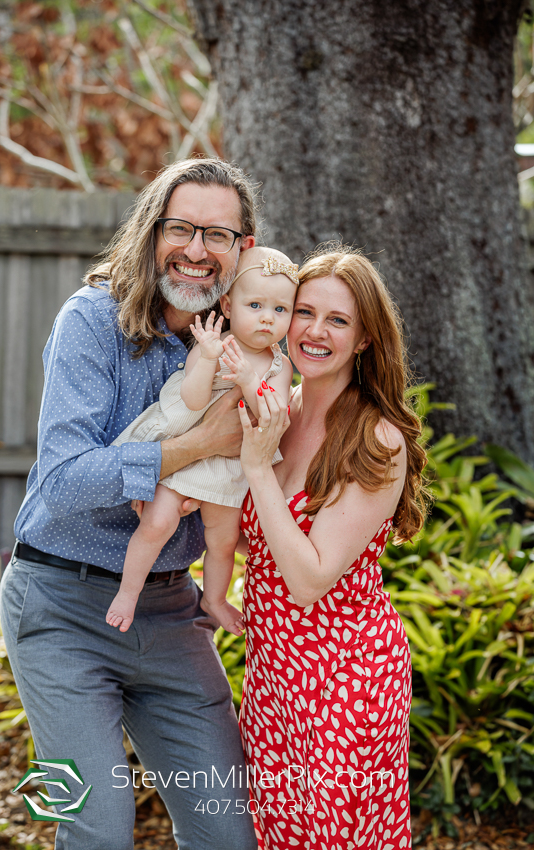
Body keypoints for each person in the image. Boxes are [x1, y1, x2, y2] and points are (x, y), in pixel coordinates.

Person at [0, 158, 260, 850]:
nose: (197, 251)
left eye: (217, 234)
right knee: (100, 831)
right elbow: (65, 483)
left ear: (244, 250)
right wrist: (196, 443)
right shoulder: (92, 322)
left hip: (172, 613)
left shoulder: (247, 344)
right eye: (180, 228)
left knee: (227, 834)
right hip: (60, 608)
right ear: (151, 234)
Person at [236, 247, 428, 850]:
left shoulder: (376, 436)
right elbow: (254, 539)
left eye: (338, 320)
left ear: (366, 336)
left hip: (344, 678)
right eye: (305, 312)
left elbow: (310, 577)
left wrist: (257, 471)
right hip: (273, 675)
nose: (315, 332)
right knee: (276, 836)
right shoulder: (280, 413)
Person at [106, 246, 297, 635]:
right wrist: (209, 358)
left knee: (223, 541)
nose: (267, 318)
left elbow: (273, 415)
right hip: (185, 447)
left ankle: (213, 598)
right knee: (157, 522)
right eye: (256, 305)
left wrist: (248, 382)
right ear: (227, 305)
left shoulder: (280, 364)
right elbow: (192, 400)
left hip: (228, 466)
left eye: (281, 310)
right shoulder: (214, 344)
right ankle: (128, 592)